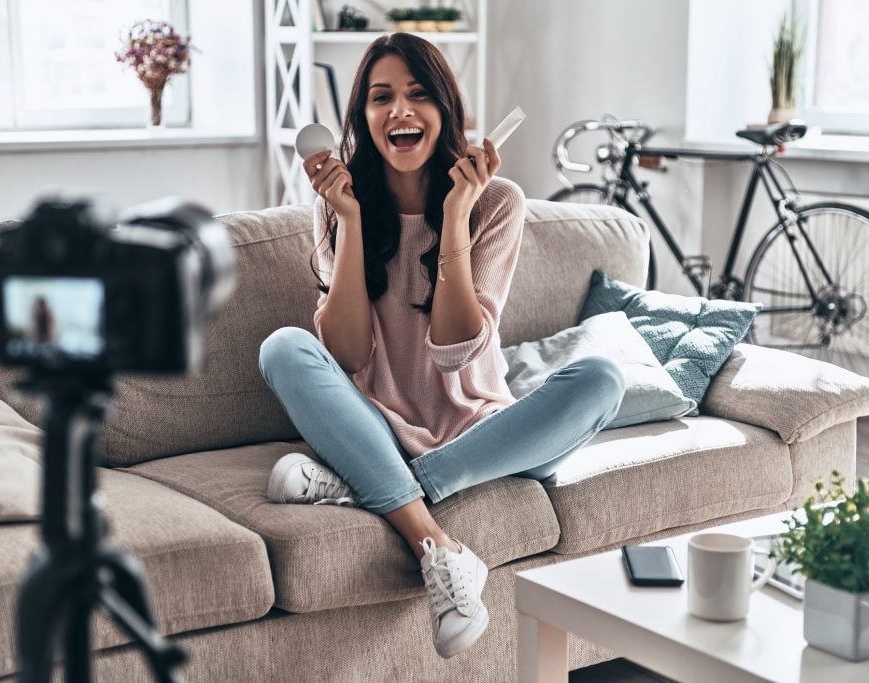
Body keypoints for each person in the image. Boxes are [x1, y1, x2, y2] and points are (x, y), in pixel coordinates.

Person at [258, 33, 625, 659]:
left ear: (446, 109)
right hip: (375, 427)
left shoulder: (497, 204)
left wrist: (455, 217)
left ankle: (371, 488)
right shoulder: (334, 207)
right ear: (362, 118)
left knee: (602, 381)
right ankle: (436, 543)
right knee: (284, 348)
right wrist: (347, 220)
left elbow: (456, 349)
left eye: (417, 94)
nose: (399, 111)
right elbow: (344, 357)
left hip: (487, 436)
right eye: (381, 98)